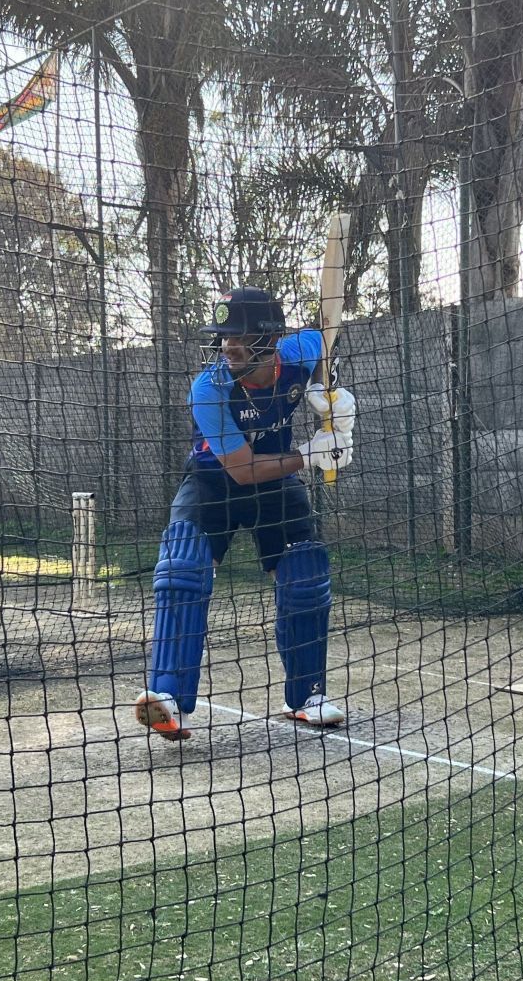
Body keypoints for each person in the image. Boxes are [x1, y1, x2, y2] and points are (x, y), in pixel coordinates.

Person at [131, 286, 357, 741]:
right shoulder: (208, 388)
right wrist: (313, 454)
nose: (228, 346)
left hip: (277, 486)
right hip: (214, 481)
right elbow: (242, 470)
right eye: (224, 337)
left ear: (271, 340)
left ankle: (308, 696)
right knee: (182, 569)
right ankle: (168, 698)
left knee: (306, 574)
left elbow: (322, 345)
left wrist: (323, 388)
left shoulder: (300, 348)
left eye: (240, 336)